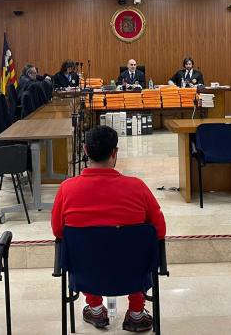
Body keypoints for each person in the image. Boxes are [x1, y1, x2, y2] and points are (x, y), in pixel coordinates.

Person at [51, 126, 166, 332]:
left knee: (85, 249)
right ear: (115, 152)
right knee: (137, 247)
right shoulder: (137, 187)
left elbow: (58, 231)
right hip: (132, 274)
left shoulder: (67, 189)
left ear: (85, 150)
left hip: (86, 274)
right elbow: (159, 230)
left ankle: (95, 309)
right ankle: (136, 313)